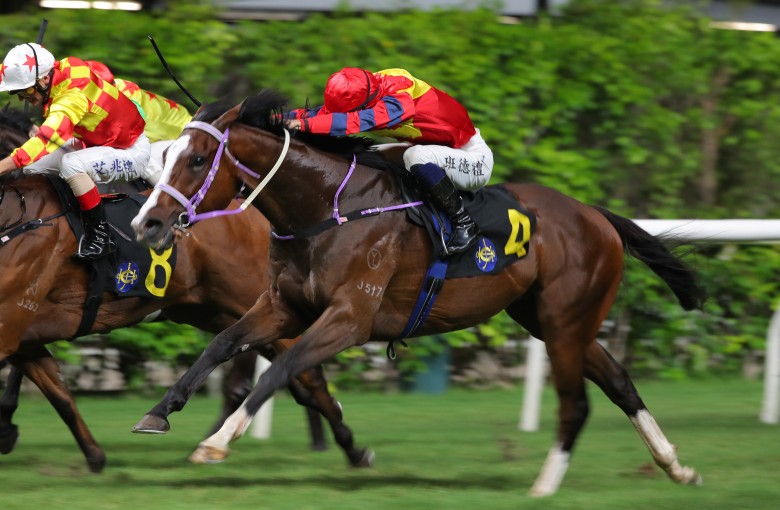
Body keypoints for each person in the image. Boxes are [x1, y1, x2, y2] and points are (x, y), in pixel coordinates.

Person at [285, 67, 494, 255]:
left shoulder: (397, 103)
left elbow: (351, 122)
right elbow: (320, 114)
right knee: (369, 155)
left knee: (415, 157)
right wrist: (275, 119)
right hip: (436, 149)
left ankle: (465, 223)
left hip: (473, 159)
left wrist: (300, 125)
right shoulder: (368, 89)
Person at [0, 43, 150, 259]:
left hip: (130, 150)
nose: (23, 98)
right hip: (93, 143)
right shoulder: (57, 69)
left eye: (26, 90)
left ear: (43, 80)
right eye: (18, 92)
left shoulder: (72, 98)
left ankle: (100, 236)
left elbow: (43, 142)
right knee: (31, 168)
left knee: (70, 164)